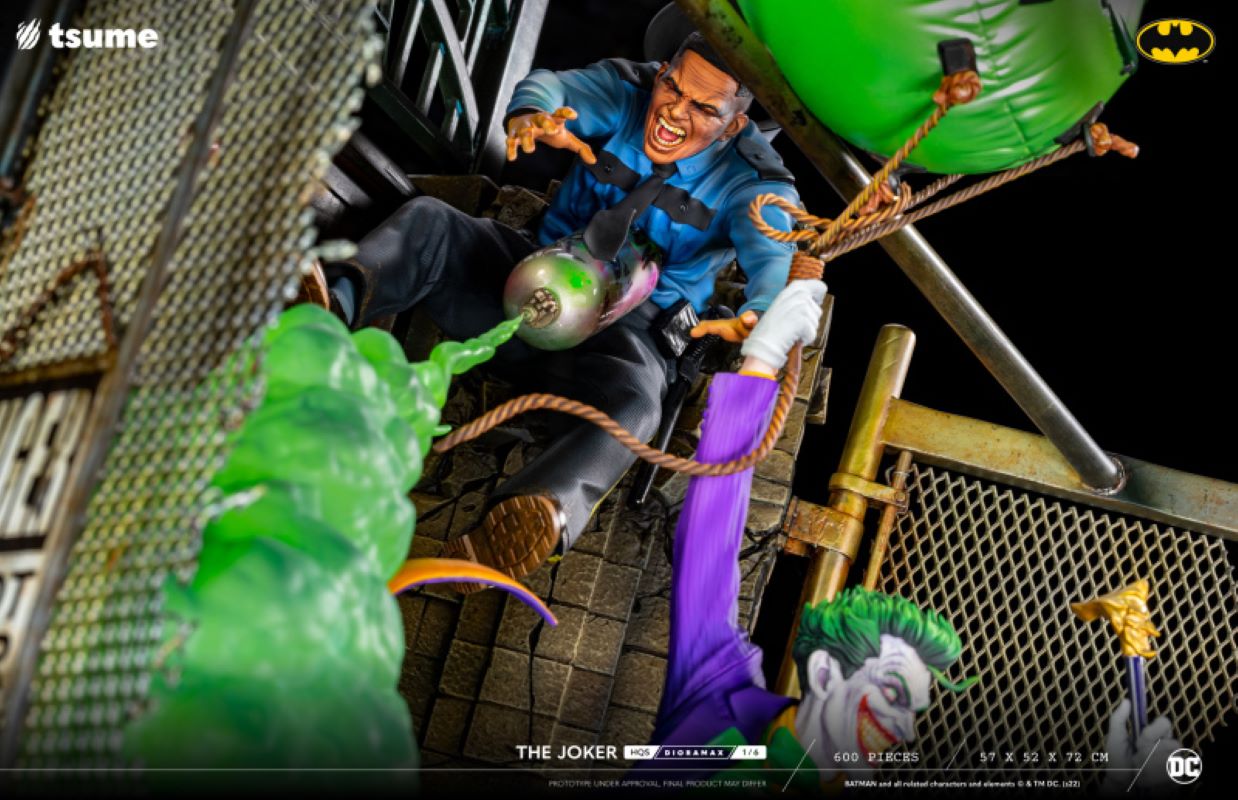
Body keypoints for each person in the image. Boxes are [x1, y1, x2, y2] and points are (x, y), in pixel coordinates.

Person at [652, 282, 1181, 792]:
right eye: (893, 693)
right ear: (825, 673)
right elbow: (710, 542)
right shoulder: (720, 700)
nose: (901, 730)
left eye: (907, 708)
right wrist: (761, 361)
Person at [324, 32, 800, 585]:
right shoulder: (628, 90)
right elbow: (555, 89)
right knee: (431, 223)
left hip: (624, 334)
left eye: (703, 109)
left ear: (735, 124)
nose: (674, 111)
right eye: (673, 87)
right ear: (662, 71)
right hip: (531, 278)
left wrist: (760, 315)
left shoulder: (754, 182)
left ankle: (534, 516)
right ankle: (329, 305)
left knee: (635, 407)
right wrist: (533, 114)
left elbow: (776, 256)